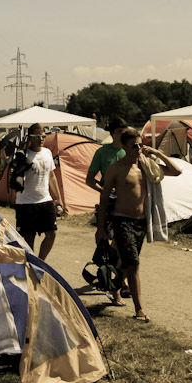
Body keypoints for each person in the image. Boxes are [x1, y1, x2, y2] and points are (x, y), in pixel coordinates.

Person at [96, 128, 180, 322]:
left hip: (141, 222)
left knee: (126, 264)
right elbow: (104, 198)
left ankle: (113, 287)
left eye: (140, 144)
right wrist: (101, 228)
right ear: (124, 147)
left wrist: (157, 153)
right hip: (122, 220)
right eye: (134, 145)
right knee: (133, 264)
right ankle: (140, 310)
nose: (139, 148)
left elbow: (176, 171)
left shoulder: (146, 166)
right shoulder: (116, 169)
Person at [85, 117, 128, 306]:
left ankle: (119, 282)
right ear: (113, 133)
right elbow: (89, 179)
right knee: (113, 245)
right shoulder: (103, 153)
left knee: (122, 245)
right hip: (110, 204)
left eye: (125, 130)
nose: (124, 134)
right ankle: (115, 286)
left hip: (129, 203)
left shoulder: (130, 151)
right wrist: (104, 190)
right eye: (120, 131)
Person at [15, 123, 57, 260]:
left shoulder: (47, 153)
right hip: (26, 202)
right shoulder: (23, 155)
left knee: (51, 234)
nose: (41, 139)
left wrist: (58, 198)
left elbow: (51, 175)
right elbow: (14, 175)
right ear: (30, 138)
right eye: (38, 136)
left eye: (43, 136)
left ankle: (40, 262)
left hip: (45, 199)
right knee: (28, 238)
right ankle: (30, 264)